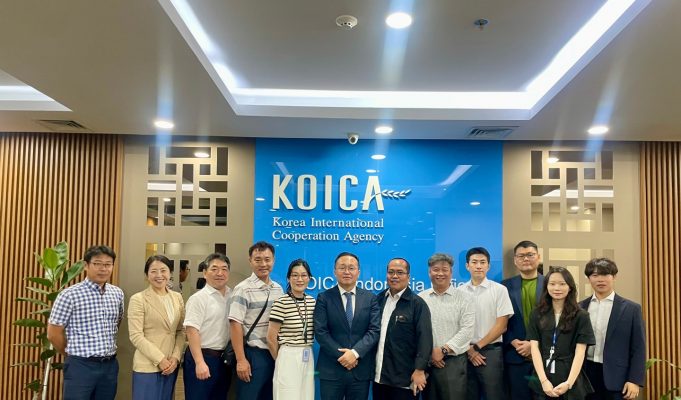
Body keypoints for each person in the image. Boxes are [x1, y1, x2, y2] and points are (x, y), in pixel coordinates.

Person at [47, 245, 124, 400]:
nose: (103, 269)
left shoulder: (117, 293)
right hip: (80, 366)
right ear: (86, 265)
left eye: (108, 264)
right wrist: (71, 354)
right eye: (97, 263)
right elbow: (53, 333)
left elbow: (117, 322)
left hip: (109, 366)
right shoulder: (69, 295)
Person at [314, 252, 381, 400]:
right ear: (334, 271)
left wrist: (355, 353)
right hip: (331, 369)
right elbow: (320, 332)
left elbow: (374, 331)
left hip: (360, 370)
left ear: (358, 272)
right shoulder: (324, 298)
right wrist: (344, 356)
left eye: (351, 268)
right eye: (342, 267)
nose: (347, 272)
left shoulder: (370, 298)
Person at [580, 258, 646, 400]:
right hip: (585, 374)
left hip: (617, 377)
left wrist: (634, 380)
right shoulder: (580, 307)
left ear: (614, 276)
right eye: (595, 275)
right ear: (589, 278)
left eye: (605, 274)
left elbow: (638, 347)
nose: (600, 279)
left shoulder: (631, 309)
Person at [528, 267, 595, 399]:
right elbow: (534, 348)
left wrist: (569, 383)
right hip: (543, 376)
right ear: (546, 287)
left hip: (570, 376)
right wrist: (543, 381)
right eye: (552, 284)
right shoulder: (537, 314)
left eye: (562, 284)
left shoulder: (581, 316)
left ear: (570, 287)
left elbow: (580, 352)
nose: (557, 288)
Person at [229, 241, 284, 400]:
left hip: (274, 353)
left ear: (273, 260)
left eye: (267, 259)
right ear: (250, 261)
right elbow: (235, 324)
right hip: (253, 355)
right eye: (258, 260)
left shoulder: (278, 289)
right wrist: (241, 360)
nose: (263, 264)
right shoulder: (243, 289)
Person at [458, 247, 514, 400]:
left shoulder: (500, 290)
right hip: (464, 352)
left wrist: (476, 348)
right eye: (474, 262)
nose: (478, 266)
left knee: (494, 395)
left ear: (488, 266)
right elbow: (456, 325)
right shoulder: (459, 292)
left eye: (482, 262)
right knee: (467, 395)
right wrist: (469, 350)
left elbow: (501, 326)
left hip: (491, 352)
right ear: (467, 266)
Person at [374, 258, 433, 400]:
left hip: (405, 380)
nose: (394, 276)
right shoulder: (379, 299)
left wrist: (420, 370)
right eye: (391, 272)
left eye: (400, 272)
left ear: (408, 276)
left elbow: (425, 340)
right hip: (379, 377)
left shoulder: (417, 304)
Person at [128, 255, 185, 400]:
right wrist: (160, 359)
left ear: (170, 273)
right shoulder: (138, 299)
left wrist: (175, 357)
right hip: (147, 365)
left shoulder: (177, 297)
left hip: (171, 365)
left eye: (163, 270)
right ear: (147, 275)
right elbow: (136, 336)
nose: (159, 275)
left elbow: (181, 331)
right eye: (153, 271)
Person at [419, 253, 475, 400]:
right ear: (429, 272)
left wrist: (443, 350)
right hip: (427, 363)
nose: (440, 273)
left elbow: (467, 330)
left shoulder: (464, 298)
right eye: (436, 269)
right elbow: (417, 331)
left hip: (453, 362)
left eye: (444, 269)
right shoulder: (420, 298)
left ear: (451, 272)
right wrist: (430, 354)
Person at [182, 253, 232, 400]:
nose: (220, 273)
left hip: (224, 360)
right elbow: (192, 331)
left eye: (224, 269)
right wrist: (199, 362)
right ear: (205, 273)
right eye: (214, 269)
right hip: (202, 357)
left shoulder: (233, 295)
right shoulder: (198, 299)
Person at [266, 259, 316, 400]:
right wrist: (281, 358)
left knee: (307, 395)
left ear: (309, 278)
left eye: (303, 275)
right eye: (295, 275)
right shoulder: (281, 302)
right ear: (288, 278)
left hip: (307, 352)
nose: (299, 279)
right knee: (287, 395)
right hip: (288, 354)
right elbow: (270, 337)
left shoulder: (312, 302)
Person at [503, 240, 546, 400]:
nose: (526, 259)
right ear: (515, 260)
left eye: (530, 255)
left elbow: (557, 320)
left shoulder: (551, 285)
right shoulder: (504, 287)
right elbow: (499, 321)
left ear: (538, 257)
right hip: (516, 355)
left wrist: (534, 345)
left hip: (545, 354)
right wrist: (513, 341)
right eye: (521, 256)